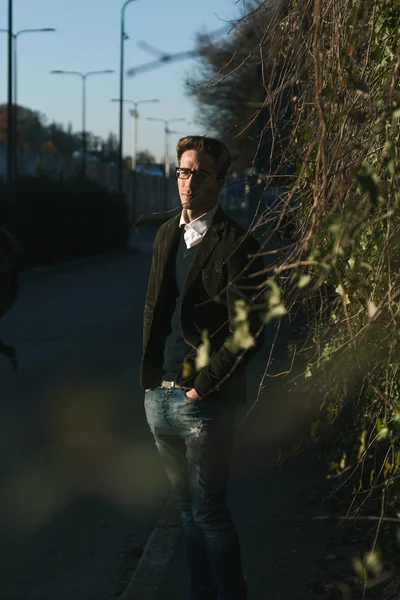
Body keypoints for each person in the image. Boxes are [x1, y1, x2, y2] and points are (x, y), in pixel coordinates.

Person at [141, 135, 265, 600]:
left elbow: (249, 329)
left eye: (198, 173)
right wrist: (150, 383)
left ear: (219, 182)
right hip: (159, 397)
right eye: (182, 171)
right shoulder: (166, 234)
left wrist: (204, 387)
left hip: (203, 402)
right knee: (185, 513)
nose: (187, 182)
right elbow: (156, 306)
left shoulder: (237, 243)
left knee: (209, 513)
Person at [0, 226, 19, 370]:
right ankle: (8, 351)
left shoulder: (6, 245)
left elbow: (6, 271)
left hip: (5, 292)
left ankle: (9, 351)